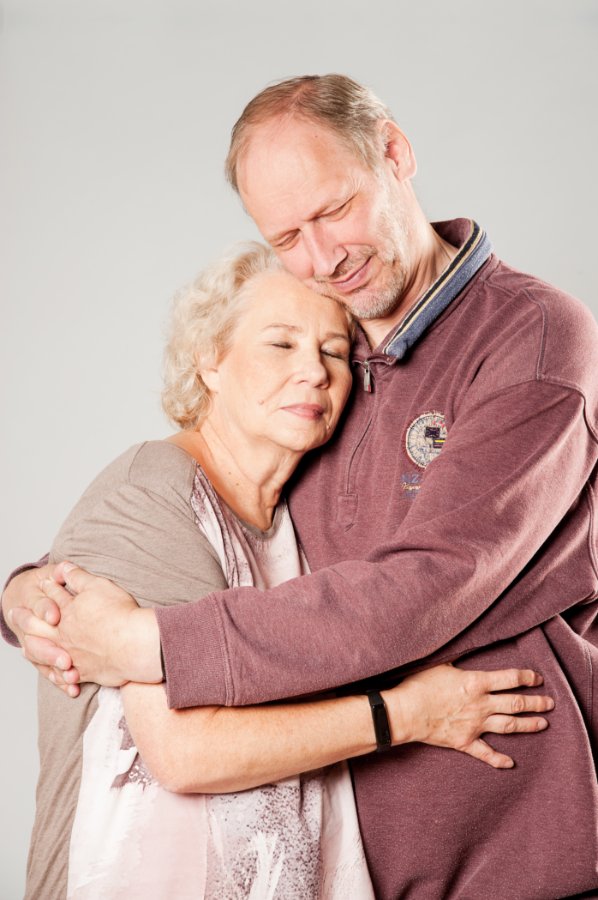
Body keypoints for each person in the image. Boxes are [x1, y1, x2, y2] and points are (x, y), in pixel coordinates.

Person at [4, 74, 598, 898]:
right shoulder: (327, 341)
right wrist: (34, 591)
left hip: (518, 864)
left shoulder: (529, 338)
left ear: (395, 153)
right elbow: (197, 502)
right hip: (341, 868)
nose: (322, 259)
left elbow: (427, 583)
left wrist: (153, 643)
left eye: (335, 211)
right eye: (286, 236)